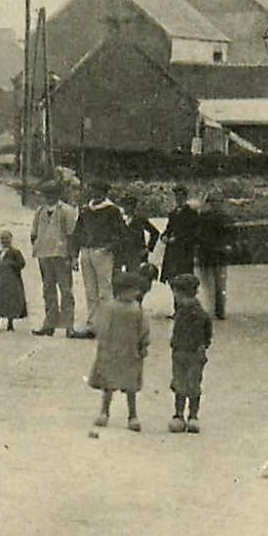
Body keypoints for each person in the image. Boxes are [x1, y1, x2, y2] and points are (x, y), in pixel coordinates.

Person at [89, 273, 150, 431]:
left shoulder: (136, 309)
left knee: (130, 387)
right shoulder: (112, 308)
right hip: (114, 351)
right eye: (132, 290)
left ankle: (132, 415)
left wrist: (143, 344)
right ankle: (105, 412)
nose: (136, 293)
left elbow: (143, 329)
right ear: (121, 291)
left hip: (130, 352)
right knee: (109, 385)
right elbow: (103, 328)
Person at [72, 180, 127, 338]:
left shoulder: (112, 211)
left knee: (105, 290)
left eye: (98, 191)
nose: (95, 193)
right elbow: (77, 232)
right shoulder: (86, 210)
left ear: (105, 193)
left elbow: (121, 233)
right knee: (90, 291)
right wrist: (75, 255)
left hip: (102, 252)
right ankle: (93, 325)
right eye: (93, 190)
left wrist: (110, 246)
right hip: (86, 251)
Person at [30, 181, 78, 337]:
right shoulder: (40, 211)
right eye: (45, 194)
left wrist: (71, 255)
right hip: (44, 253)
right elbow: (34, 233)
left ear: (57, 195)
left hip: (61, 253)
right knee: (48, 289)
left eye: (51, 194)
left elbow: (71, 234)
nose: (47, 197)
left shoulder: (66, 210)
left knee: (65, 290)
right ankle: (49, 323)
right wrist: (37, 246)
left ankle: (68, 325)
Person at [168, 273, 212, 434]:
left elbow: (206, 332)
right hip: (184, 352)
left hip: (189, 353)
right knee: (186, 384)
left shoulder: (195, 313)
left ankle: (187, 415)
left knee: (188, 384)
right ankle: (186, 416)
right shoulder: (194, 312)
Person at [196, 192, 238, 320]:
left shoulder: (225, 218)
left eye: (217, 202)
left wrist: (229, 245)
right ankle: (213, 309)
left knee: (219, 284)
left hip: (219, 254)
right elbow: (199, 235)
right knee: (209, 283)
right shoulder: (204, 217)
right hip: (208, 254)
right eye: (212, 202)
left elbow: (232, 234)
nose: (215, 204)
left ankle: (219, 310)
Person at [158, 185, 200, 311]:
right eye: (177, 196)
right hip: (172, 251)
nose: (178, 199)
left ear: (185, 197)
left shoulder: (192, 214)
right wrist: (164, 237)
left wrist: (178, 239)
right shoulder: (173, 214)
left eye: (181, 196)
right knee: (173, 279)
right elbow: (168, 229)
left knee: (184, 280)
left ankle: (184, 308)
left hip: (185, 252)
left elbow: (194, 234)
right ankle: (177, 308)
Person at [118, 195, 161, 305]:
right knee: (122, 278)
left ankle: (137, 303)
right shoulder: (119, 220)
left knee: (137, 279)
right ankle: (125, 302)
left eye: (131, 206)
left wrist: (148, 248)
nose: (128, 208)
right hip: (123, 253)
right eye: (126, 206)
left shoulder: (140, 219)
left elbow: (155, 232)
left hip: (137, 253)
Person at [0, 230, 28, 332]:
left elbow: (22, 264)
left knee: (10, 302)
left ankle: (10, 323)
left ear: (11, 239)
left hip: (11, 281)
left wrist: (10, 264)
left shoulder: (15, 252)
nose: (4, 241)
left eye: (6, 238)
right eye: (2, 239)